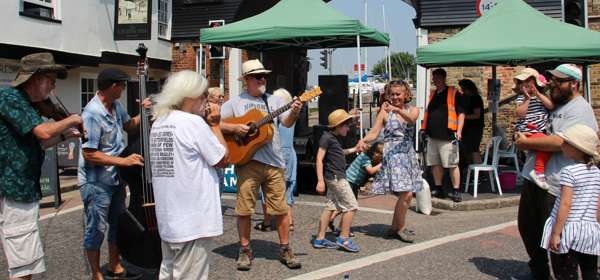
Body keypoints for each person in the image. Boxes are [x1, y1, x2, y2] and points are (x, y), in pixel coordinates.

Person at [0, 53, 82, 280]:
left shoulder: (26, 103)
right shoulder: (10, 98)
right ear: (35, 78)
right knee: (24, 264)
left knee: (25, 261)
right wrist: (72, 119)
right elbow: (43, 131)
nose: (54, 86)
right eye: (51, 79)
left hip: (22, 188)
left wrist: (65, 135)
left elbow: (43, 142)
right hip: (14, 188)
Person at [515, 64, 598, 280]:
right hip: (534, 176)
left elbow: (561, 141)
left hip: (557, 184)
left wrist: (527, 143)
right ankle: (540, 272)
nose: (553, 84)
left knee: (558, 240)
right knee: (528, 229)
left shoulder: (579, 108)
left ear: (574, 84)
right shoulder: (554, 105)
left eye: (559, 81)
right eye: (552, 80)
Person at [219, 60, 303, 271]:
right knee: (244, 210)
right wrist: (235, 127)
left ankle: (285, 248)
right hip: (248, 162)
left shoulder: (273, 101)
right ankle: (245, 250)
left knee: (281, 210)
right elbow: (214, 122)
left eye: (264, 75)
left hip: (274, 163)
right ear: (247, 80)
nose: (263, 79)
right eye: (258, 76)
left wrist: (294, 111)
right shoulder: (234, 103)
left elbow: (287, 122)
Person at [149, 71, 228, 280]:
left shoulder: (159, 122)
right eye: (203, 95)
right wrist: (215, 124)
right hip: (193, 219)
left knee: (168, 272)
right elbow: (221, 158)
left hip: (170, 217)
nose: (206, 101)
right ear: (190, 96)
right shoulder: (192, 123)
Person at [78, 68, 150, 280]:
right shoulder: (91, 114)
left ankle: (114, 266)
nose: (124, 89)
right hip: (96, 182)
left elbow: (129, 126)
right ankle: (96, 274)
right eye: (123, 85)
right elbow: (89, 154)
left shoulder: (116, 106)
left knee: (118, 224)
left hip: (115, 178)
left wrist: (144, 112)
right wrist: (124, 161)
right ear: (113, 86)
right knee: (96, 229)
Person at [358, 80, 422, 243]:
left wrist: (396, 110)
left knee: (407, 193)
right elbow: (374, 132)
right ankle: (399, 228)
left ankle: (395, 227)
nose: (394, 97)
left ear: (406, 94)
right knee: (406, 193)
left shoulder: (413, 109)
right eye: (392, 94)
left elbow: (412, 120)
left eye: (398, 94)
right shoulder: (385, 112)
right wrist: (363, 140)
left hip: (407, 154)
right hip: (393, 155)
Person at [540, 124, 600, 280]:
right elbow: (598, 203)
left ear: (577, 148)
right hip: (589, 230)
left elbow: (565, 204)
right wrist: (597, 226)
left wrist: (555, 233)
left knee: (566, 273)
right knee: (590, 271)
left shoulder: (569, 171)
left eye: (566, 142)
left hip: (569, 231)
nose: (562, 144)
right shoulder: (596, 172)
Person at [312, 109, 360, 252]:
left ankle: (320, 239)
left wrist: (354, 149)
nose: (348, 127)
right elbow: (319, 159)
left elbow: (340, 153)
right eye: (346, 125)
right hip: (336, 178)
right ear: (338, 126)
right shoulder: (327, 138)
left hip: (333, 177)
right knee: (351, 206)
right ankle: (343, 239)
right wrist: (320, 181)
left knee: (331, 207)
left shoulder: (333, 138)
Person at [254, 88, 298, 232]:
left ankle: (267, 221)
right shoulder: (291, 114)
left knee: (266, 187)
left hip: (276, 154)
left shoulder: (277, 116)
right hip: (290, 154)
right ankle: (289, 221)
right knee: (288, 189)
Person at [421, 68, 465, 202]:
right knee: (435, 164)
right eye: (434, 78)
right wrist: (424, 129)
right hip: (432, 136)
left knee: (452, 164)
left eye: (438, 78)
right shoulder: (433, 94)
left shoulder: (453, 93)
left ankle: (456, 190)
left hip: (447, 135)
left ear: (444, 78)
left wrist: (459, 131)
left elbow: (461, 113)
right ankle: (439, 188)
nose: (435, 80)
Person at [328, 142, 383, 236]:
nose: (381, 156)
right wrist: (381, 164)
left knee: (347, 205)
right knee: (350, 206)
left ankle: (333, 220)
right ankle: (341, 228)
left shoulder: (366, 155)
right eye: (380, 154)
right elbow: (370, 170)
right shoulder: (365, 158)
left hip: (352, 182)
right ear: (375, 152)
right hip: (350, 182)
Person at [514, 68, 554, 189]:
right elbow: (520, 114)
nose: (526, 85)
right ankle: (538, 171)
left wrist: (537, 94)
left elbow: (551, 106)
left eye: (529, 82)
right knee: (546, 145)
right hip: (528, 130)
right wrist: (527, 99)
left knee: (546, 147)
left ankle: (538, 171)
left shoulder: (542, 97)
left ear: (535, 83)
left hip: (541, 130)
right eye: (523, 82)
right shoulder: (521, 98)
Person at [458, 79, 484, 166]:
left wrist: (463, 117)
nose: (462, 91)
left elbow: (477, 115)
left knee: (474, 149)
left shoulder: (476, 98)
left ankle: (479, 171)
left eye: (463, 89)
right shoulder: (467, 98)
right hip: (468, 129)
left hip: (475, 128)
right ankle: (471, 170)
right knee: (468, 150)